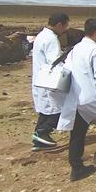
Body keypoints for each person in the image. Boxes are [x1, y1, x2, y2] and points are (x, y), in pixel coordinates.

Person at [57, 18, 96, 182]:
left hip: (75, 97)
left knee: (77, 131)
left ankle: (76, 167)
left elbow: (66, 70)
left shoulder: (75, 49)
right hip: (91, 96)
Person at [31, 13, 70, 151]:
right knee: (59, 109)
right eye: (65, 26)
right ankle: (42, 133)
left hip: (41, 79)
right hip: (49, 81)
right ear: (59, 24)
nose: (65, 30)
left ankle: (39, 137)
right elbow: (55, 61)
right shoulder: (51, 39)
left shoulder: (42, 35)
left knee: (46, 110)